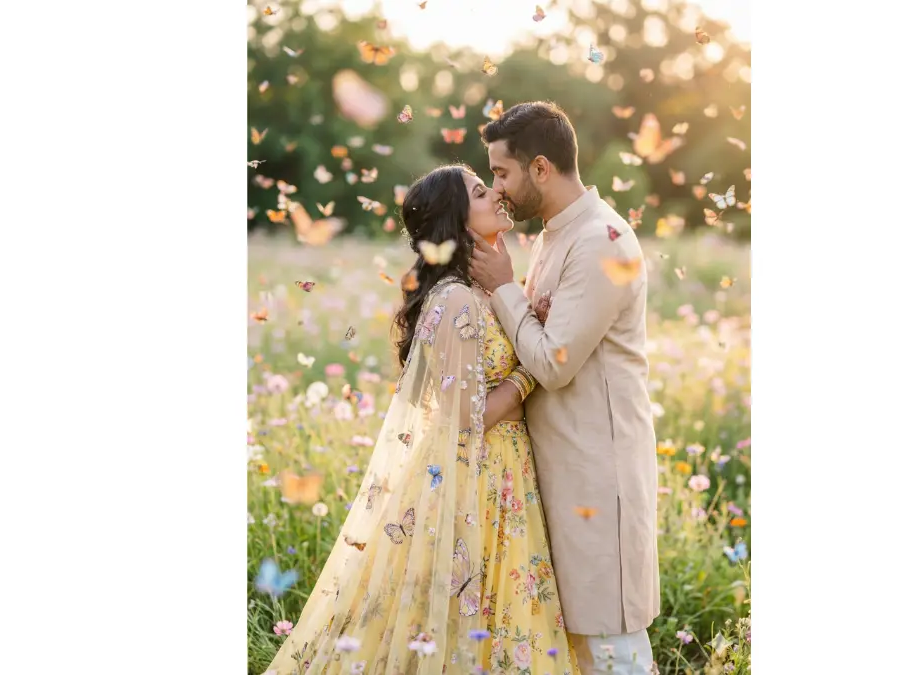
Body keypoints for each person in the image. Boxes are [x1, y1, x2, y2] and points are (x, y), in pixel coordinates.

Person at [263, 164, 580, 675]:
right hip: (474, 476)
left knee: (499, 613)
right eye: (481, 192)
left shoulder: (480, 291)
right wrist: (529, 375)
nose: (497, 196)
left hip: (504, 473)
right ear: (458, 218)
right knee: (456, 614)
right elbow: (465, 417)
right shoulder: (454, 298)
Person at [468, 101, 661, 675]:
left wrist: (504, 287)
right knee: (575, 646)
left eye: (502, 173)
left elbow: (553, 364)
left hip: (598, 475)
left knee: (611, 647)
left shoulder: (602, 240)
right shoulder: (556, 236)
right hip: (560, 471)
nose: (498, 190)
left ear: (541, 168)